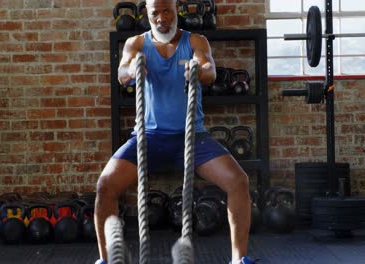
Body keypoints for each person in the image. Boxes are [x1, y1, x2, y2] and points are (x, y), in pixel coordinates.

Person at [94, 0, 255, 263]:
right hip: (148, 138)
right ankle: (105, 259)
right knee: (105, 186)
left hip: (192, 138)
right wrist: (133, 69)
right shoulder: (136, 43)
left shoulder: (195, 42)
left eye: (166, 11)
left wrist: (197, 71)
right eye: (155, 13)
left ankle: (240, 259)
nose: (161, 19)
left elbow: (210, 70)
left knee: (239, 181)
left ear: (176, 11)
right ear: (148, 14)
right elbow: (121, 72)